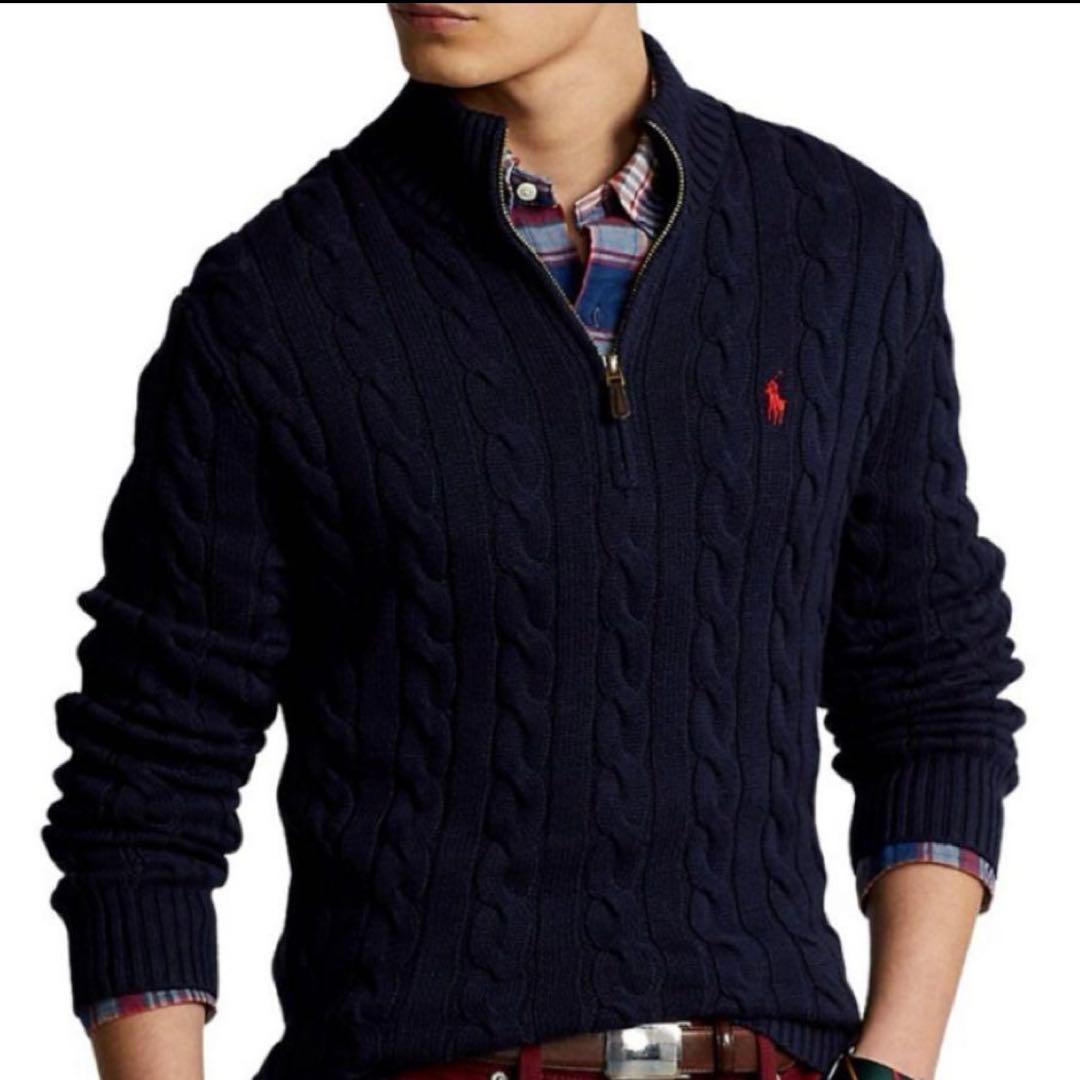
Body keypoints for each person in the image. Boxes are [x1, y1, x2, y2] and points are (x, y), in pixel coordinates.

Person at [41, 5, 1026, 1080]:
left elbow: (929, 684)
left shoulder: (847, 244)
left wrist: (895, 1062)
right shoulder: (271, 302)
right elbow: (143, 785)